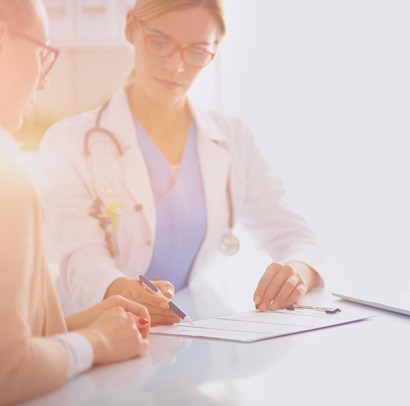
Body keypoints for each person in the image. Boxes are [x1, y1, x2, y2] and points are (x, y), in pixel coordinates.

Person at [38, 0, 323, 325]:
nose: (176, 66)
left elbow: (298, 237)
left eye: (197, 51)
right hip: (99, 338)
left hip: (194, 338)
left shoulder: (234, 139)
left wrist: (297, 272)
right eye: (160, 43)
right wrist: (125, 292)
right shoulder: (68, 142)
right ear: (131, 27)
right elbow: (80, 258)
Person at [0, 1, 150, 404]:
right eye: (42, 54)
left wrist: (88, 322)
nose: (45, 81)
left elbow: (15, 333)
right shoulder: (8, 180)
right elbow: (8, 367)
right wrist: (98, 341)